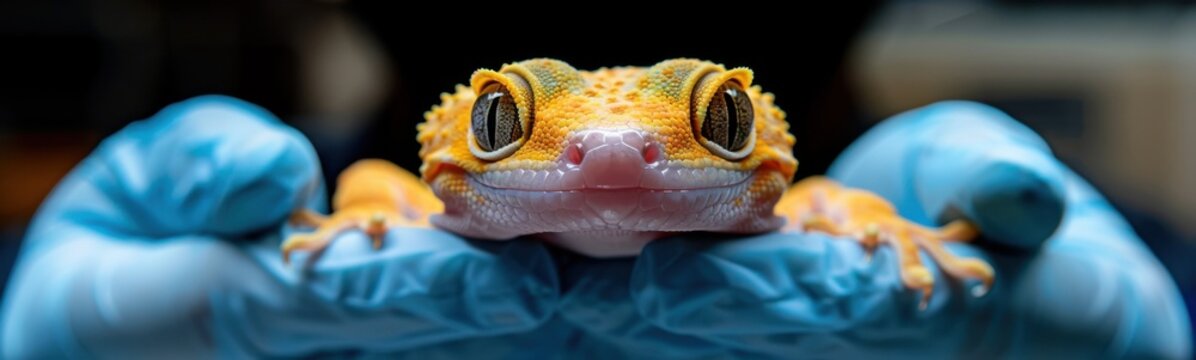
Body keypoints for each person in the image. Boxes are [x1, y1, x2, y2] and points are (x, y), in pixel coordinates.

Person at [0, 95, 1188, 358]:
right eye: (518, 118)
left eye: (706, 122)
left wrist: (878, 218)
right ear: (451, 142)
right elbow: (370, 181)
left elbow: (829, 202)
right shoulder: (373, 198)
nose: (609, 151)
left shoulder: (851, 204)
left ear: (767, 154)